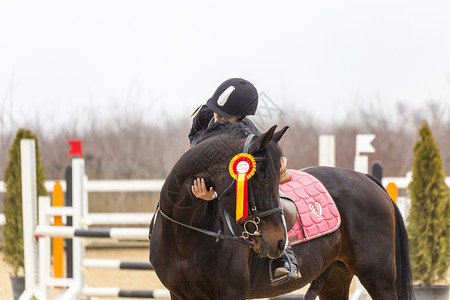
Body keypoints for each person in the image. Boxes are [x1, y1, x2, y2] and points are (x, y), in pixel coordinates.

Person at [189, 78, 301, 285]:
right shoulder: (204, 115)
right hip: (205, 174)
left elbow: (260, 160)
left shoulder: (249, 130)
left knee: (268, 200)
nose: (217, 115)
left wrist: (213, 196)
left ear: (241, 116)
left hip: (233, 181)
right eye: (216, 109)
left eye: (224, 115)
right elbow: (194, 140)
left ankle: (285, 256)